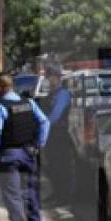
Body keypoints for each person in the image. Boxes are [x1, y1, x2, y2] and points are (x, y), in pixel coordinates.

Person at [0, 72, 50, 221]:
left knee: (13, 197)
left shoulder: (0, 107)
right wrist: (38, 144)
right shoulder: (28, 103)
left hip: (9, 156)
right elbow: (45, 122)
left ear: (0, 88)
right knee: (31, 194)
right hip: (29, 154)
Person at [38, 64, 74, 202]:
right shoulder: (51, 94)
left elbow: (55, 115)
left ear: (57, 78)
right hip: (51, 134)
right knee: (51, 165)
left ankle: (64, 195)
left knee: (60, 165)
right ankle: (57, 192)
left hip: (59, 134)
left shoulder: (63, 94)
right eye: (48, 77)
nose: (49, 80)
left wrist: (43, 125)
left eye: (51, 77)